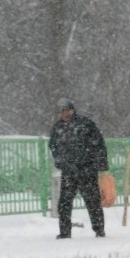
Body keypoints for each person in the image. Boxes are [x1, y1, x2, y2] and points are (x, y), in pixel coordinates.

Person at [48, 99, 108, 238]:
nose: (64, 114)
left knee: (93, 201)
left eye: (66, 110)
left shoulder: (85, 124)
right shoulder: (58, 128)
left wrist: (100, 164)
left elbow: (98, 143)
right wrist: (61, 162)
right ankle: (64, 232)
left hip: (87, 170)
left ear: (72, 110)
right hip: (69, 171)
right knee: (64, 203)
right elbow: (54, 147)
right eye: (61, 111)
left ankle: (99, 230)